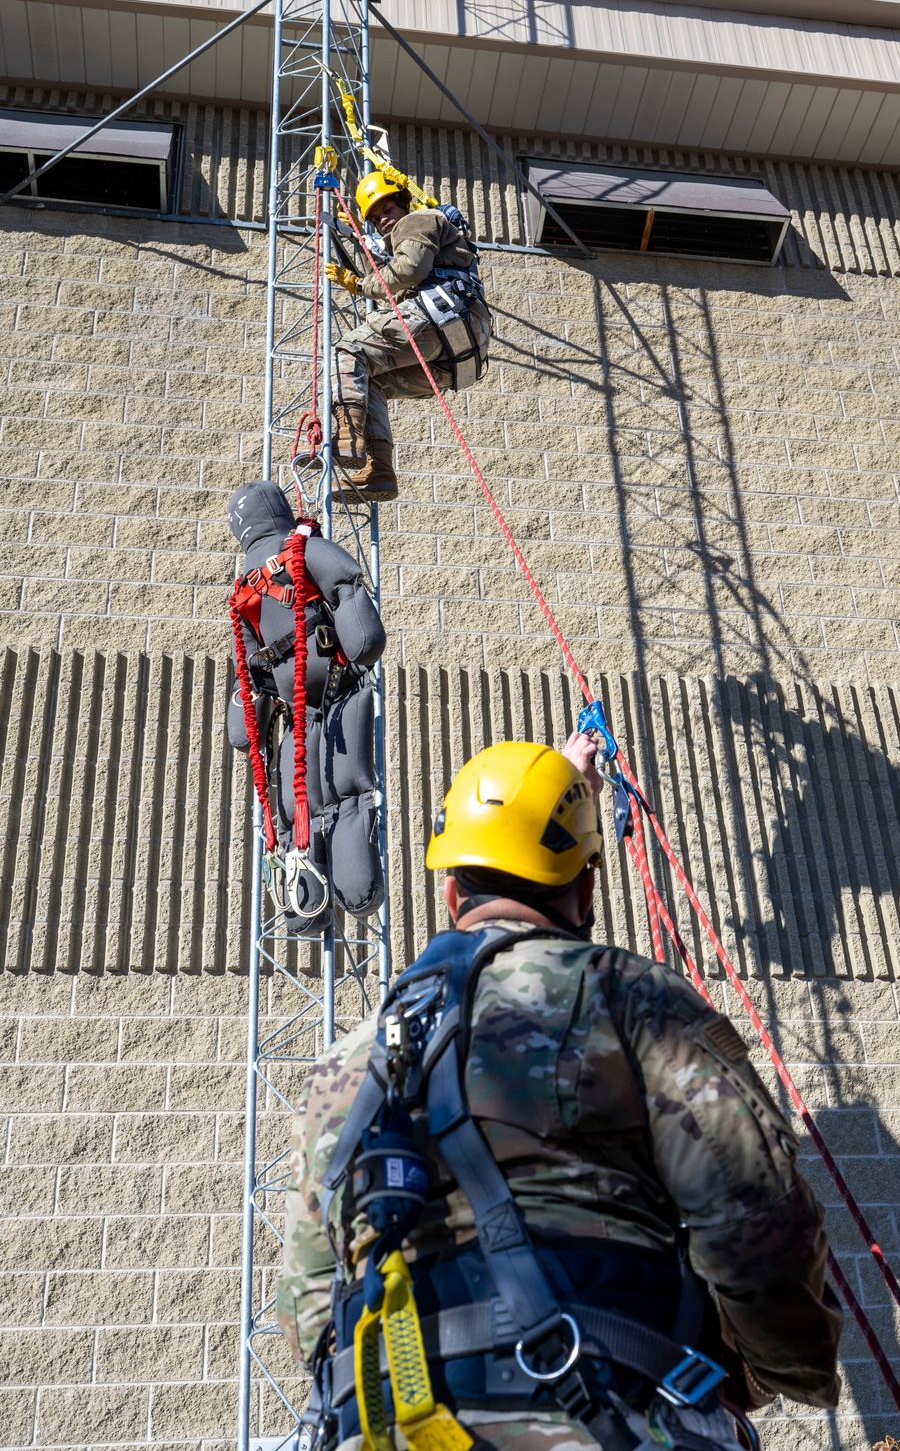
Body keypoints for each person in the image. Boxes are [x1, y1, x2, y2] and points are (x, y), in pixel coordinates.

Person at [276, 739, 843, 1451]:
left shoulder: (346, 1066)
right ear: (587, 889)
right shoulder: (634, 1001)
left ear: (451, 892)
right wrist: (784, 1369)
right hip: (606, 1418)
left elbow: (308, 1302)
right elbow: (755, 1217)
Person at [227, 480, 387, 930]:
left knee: (300, 807)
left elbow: (247, 677)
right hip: (336, 695)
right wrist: (360, 640)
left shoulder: (246, 588)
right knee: (346, 792)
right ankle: (351, 890)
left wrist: (245, 722)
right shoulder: (304, 550)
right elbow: (348, 590)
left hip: (302, 710)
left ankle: (309, 906)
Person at [325, 171, 492, 504]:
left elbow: (408, 270)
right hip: (455, 356)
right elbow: (397, 278)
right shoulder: (416, 236)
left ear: (403, 203)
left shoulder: (419, 219)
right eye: (374, 218)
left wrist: (359, 285)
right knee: (367, 382)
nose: (383, 220)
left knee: (347, 351)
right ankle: (379, 472)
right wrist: (361, 241)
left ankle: (349, 436)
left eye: (386, 209)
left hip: (441, 318)